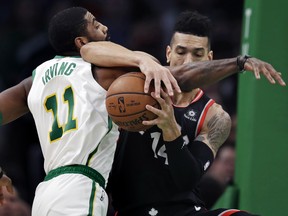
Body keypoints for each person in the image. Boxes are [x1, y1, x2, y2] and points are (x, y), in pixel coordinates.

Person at [80, 11, 285, 216]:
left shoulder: (215, 116)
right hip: (130, 211)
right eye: (180, 52)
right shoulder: (136, 82)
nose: (188, 61)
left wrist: (171, 130)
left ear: (209, 58)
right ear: (168, 53)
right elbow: (89, 49)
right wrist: (141, 60)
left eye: (197, 54)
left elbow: (187, 180)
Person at [0, 7, 182, 216]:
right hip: (80, 188)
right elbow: (162, 70)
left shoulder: (33, 80)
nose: (104, 27)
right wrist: (144, 60)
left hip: (44, 195)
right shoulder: (100, 73)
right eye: (95, 24)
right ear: (81, 43)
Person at [198, 143, 236, 209]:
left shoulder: (229, 188)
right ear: (214, 162)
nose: (230, 168)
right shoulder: (206, 186)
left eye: (234, 164)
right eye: (227, 162)